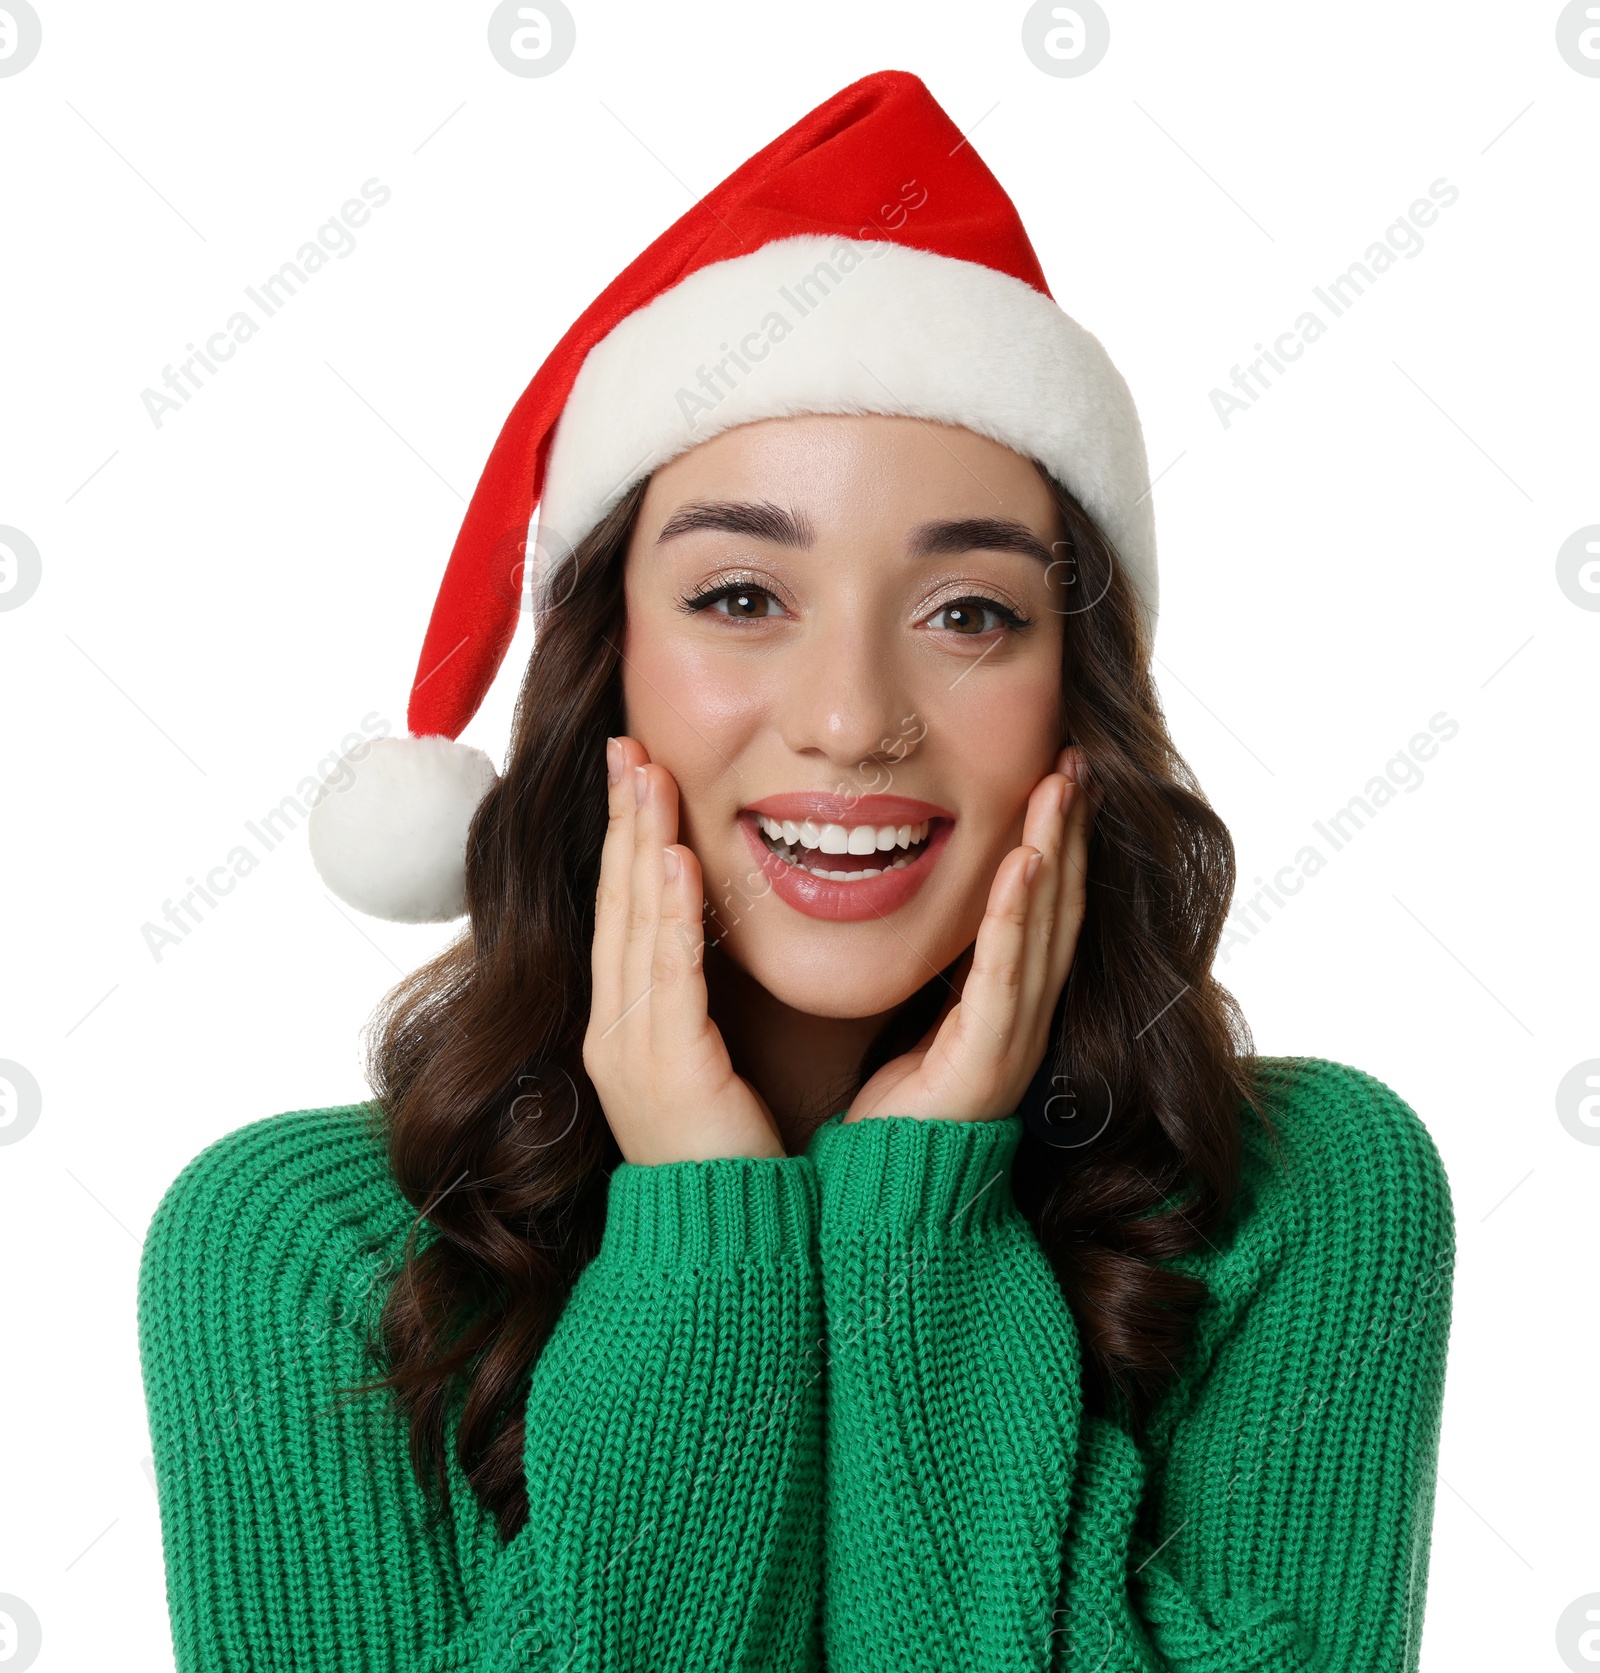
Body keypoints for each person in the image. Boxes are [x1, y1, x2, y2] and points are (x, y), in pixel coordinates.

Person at [137, 71, 1455, 1671]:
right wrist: (706, 1236)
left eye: (968, 612)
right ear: (605, 669)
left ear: (1074, 694)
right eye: (743, 595)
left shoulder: (1307, 1197)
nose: (851, 722)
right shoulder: (303, 1252)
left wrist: (924, 1237)